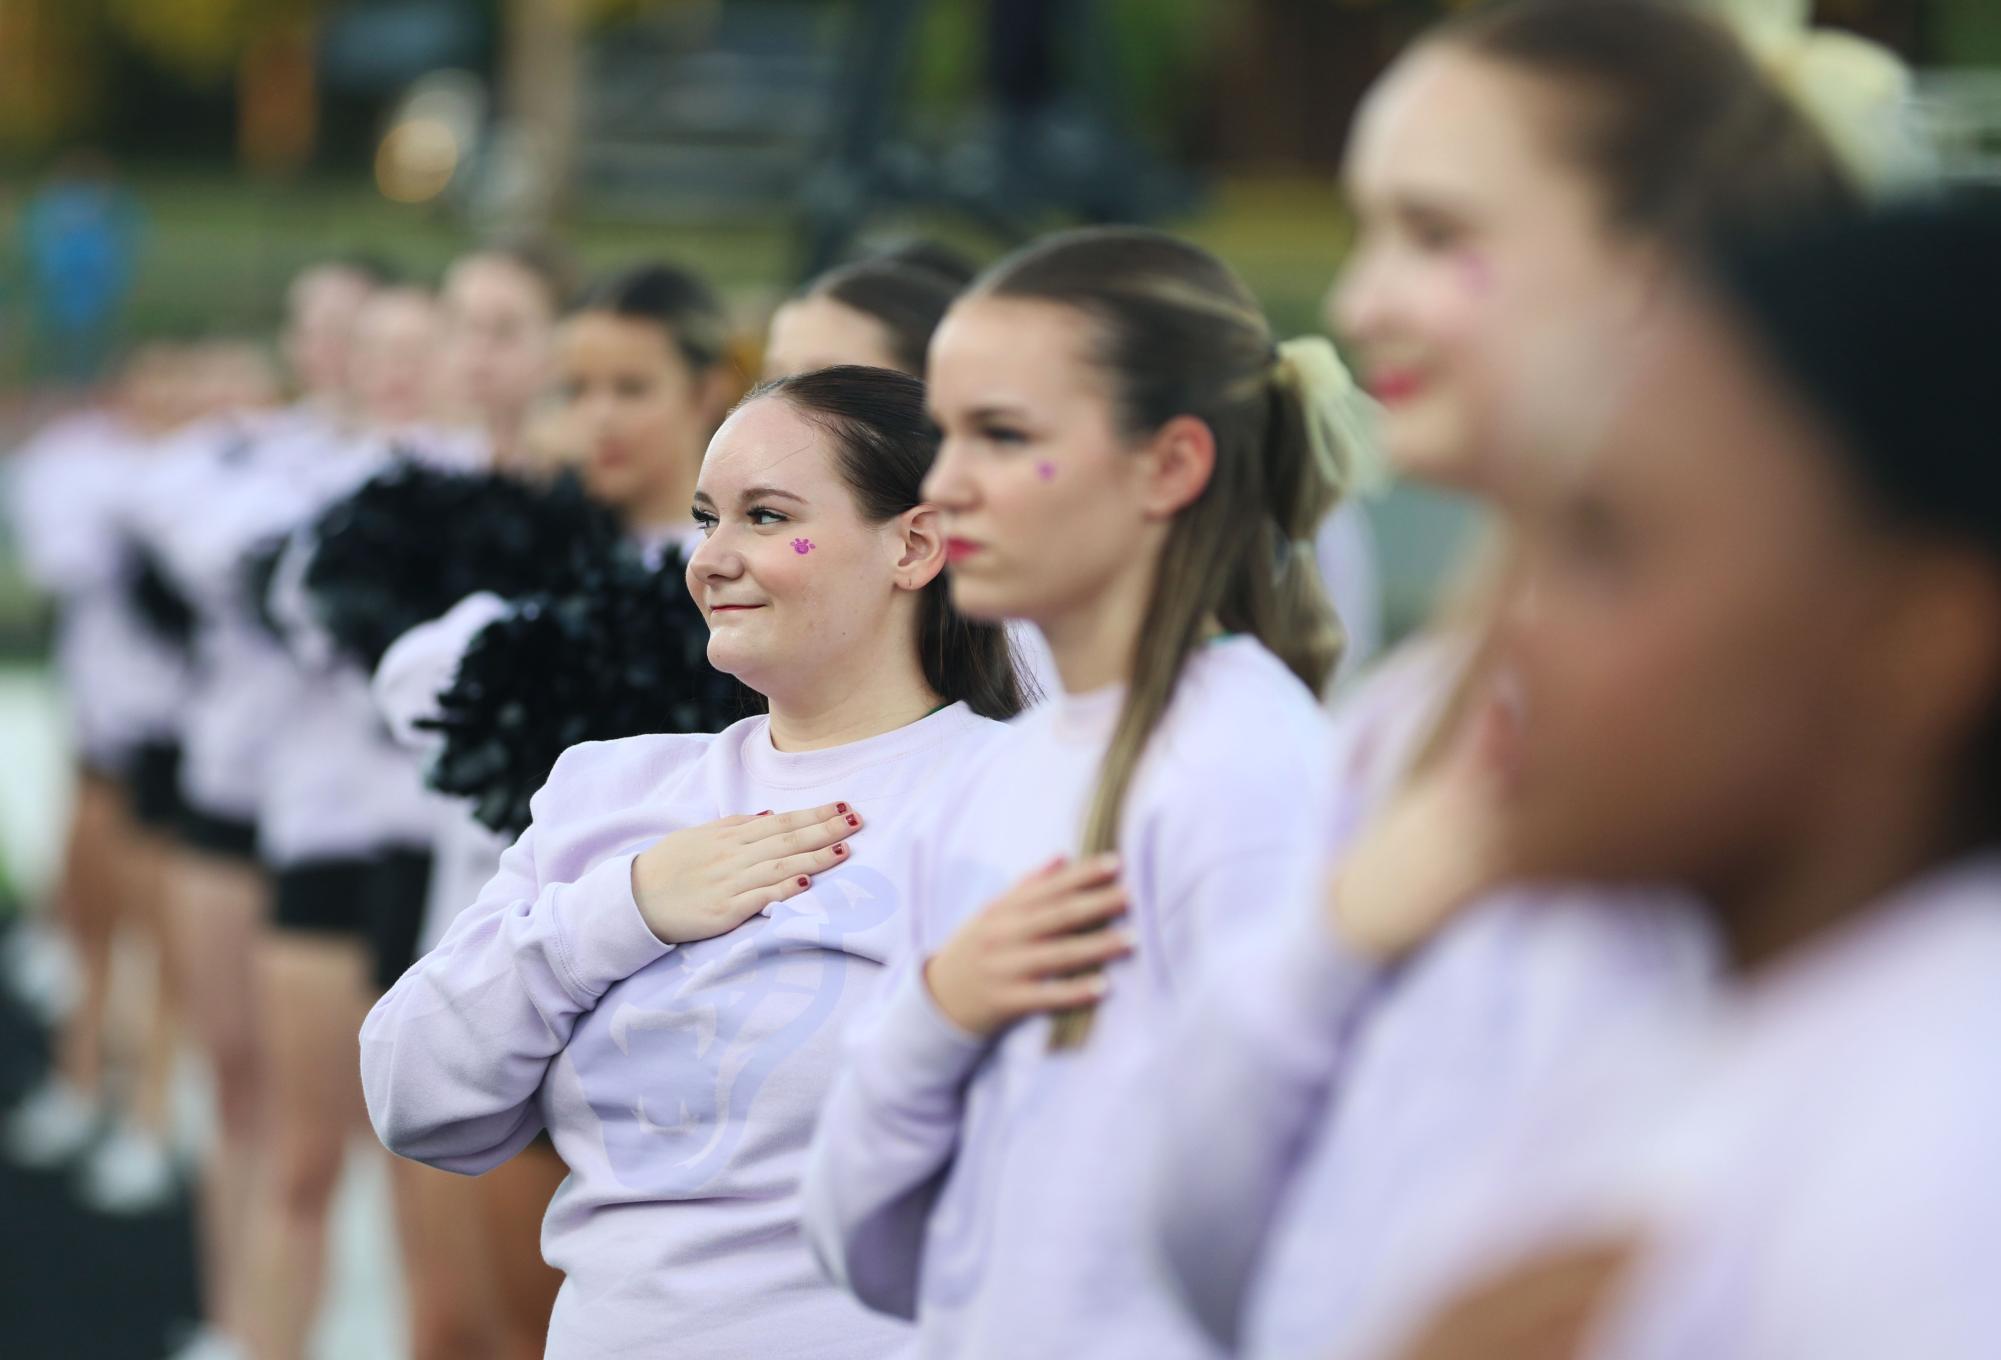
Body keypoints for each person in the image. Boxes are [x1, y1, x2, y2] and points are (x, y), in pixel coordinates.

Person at [1144, 2, 1912, 1353]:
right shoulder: (1410, 713)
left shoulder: (1786, 722)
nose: (1364, 298)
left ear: (1657, 267)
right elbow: (1204, 1242)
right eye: (1367, 231)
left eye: (1438, 237)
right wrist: (1335, 942)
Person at [1334, 192, 2001, 1360]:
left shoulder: (1941, 1161)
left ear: (1916, 639)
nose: (1514, 632)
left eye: (1606, 545)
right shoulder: (1701, 1043)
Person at [363, 364, 1024, 1358]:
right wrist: (622, 909)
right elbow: (413, 1097)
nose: (710, 558)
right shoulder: (608, 792)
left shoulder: (1019, 795)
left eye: (768, 518)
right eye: (706, 517)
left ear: (915, 544)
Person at [800, 226, 1371, 1357]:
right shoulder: (998, 767)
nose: (946, 483)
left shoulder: (1246, 767)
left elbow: (1287, 1211)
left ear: (1170, 464)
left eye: (1004, 436)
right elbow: (860, 1236)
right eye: (945, 431)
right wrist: (939, 1012)